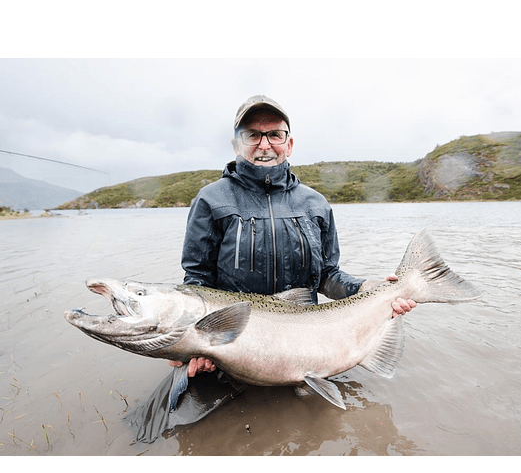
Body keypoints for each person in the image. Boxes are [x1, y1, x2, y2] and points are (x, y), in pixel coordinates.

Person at [170, 95, 416, 379]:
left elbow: (325, 274)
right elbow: (197, 282)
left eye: (275, 134)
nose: (264, 145)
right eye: (253, 135)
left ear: (289, 144)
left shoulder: (316, 203)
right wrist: (197, 343)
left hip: (307, 345)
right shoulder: (210, 199)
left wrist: (367, 289)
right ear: (236, 144)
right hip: (234, 348)